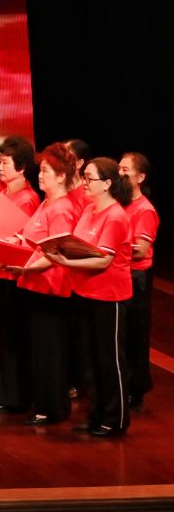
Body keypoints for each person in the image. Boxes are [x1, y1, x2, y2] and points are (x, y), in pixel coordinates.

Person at [16, 155, 134, 435]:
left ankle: (114, 419)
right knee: (90, 358)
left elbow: (103, 260)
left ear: (107, 184)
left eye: (89, 178)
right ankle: (95, 415)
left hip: (109, 295)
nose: (84, 183)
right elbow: (78, 244)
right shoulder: (89, 210)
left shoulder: (115, 216)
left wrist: (65, 261)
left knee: (109, 359)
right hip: (84, 291)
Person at [8, 143, 84, 426]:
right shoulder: (47, 202)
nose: (40, 176)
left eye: (46, 171)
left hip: (52, 288)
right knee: (39, 348)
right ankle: (44, 404)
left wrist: (25, 267)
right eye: (40, 170)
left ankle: (51, 408)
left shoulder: (62, 208)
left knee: (50, 350)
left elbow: (55, 253)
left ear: (62, 176)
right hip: (35, 285)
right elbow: (35, 240)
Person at [0, 135, 41, 414]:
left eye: (6, 163)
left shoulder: (29, 198)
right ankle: (6, 382)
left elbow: (25, 237)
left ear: (22, 167)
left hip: (13, 273)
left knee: (15, 332)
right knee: (4, 330)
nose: (0, 167)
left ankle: (16, 392)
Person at [117, 152, 154, 410]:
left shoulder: (144, 210)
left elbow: (140, 249)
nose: (120, 173)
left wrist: (110, 248)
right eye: (119, 168)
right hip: (120, 272)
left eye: (126, 170)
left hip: (136, 277)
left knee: (135, 334)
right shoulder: (121, 204)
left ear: (140, 177)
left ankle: (136, 388)